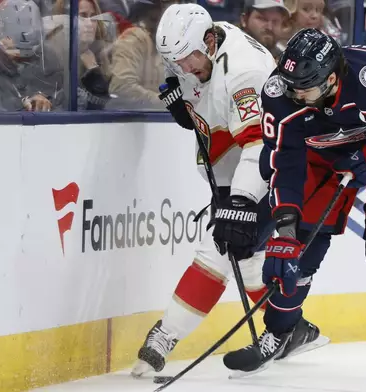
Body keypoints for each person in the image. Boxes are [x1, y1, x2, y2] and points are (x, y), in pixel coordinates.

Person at [222, 28, 366, 375]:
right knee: (298, 251)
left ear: (330, 79)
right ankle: (280, 331)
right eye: (290, 85)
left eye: (304, 88)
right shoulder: (280, 93)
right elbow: (285, 163)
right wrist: (284, 231)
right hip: (323, 159)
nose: (294, 95)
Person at [131, 4, 324, 377]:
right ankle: (291, 328)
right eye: (175, 62)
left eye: (188, 60)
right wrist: (189, 103)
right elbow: (204, 92)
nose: (183, 67)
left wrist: (241, 200)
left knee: (219, 246)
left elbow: (259, 145)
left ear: (208, 41)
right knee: (247, 256)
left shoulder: (245, 72)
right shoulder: (200, 42)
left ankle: (165, 335)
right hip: (230, 160)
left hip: (268, 164)